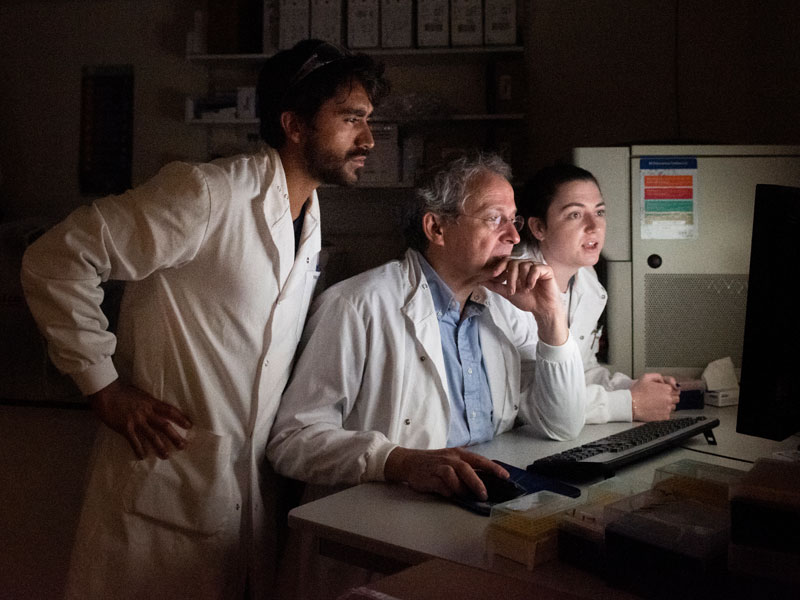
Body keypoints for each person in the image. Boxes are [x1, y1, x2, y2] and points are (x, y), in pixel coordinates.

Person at [20, 40, 389, 600]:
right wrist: (105, 386)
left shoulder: (309, 219)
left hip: (243, 494)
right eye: (351, 119)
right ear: (293, 123)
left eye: (369, 121)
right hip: (164, 483)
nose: (368, 139)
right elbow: (56, 257)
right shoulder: (207, 194)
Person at [266, 153, 586, 501]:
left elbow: (562, 425)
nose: (511, 236)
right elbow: (292, 440)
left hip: (481, 507)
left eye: (514, 220)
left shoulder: (507, 306)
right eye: (495, 219)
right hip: (380, 520)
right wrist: (396, 461)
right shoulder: (357, 304)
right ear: (436, 228)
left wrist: (551, 319)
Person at [515, 164, 680, 424]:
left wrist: (632, 387)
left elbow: (580, 371)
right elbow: (521, 399)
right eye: (575, 215)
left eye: (599, 212)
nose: (594, 227)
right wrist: (630, 404)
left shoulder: (587, 279)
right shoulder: (511, 289)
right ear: (538, 228)